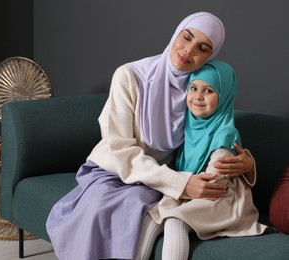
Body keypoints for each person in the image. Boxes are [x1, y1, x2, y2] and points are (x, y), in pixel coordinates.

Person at [46, 12, 254, 260]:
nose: (188, 51)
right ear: (176, 33)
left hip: (161, 179)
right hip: (115, 169)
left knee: (138, 207)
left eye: (202, 48)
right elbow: (121, 150)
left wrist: (248, 164)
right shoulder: (130, 76)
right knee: (100, 209)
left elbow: (213, 134)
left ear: (210, 56)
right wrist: (181, 184)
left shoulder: (198, 88)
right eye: (185, 38)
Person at [146, 60, 267, 260]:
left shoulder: (225, 135)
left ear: (225, 95)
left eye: (209, 91)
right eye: (193, 88)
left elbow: (213, 181)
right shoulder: (188, 125)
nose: (198, 97)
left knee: (176, 220)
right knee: (151, 217)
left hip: (220, 199)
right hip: (191, 190)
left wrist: (178, 185)